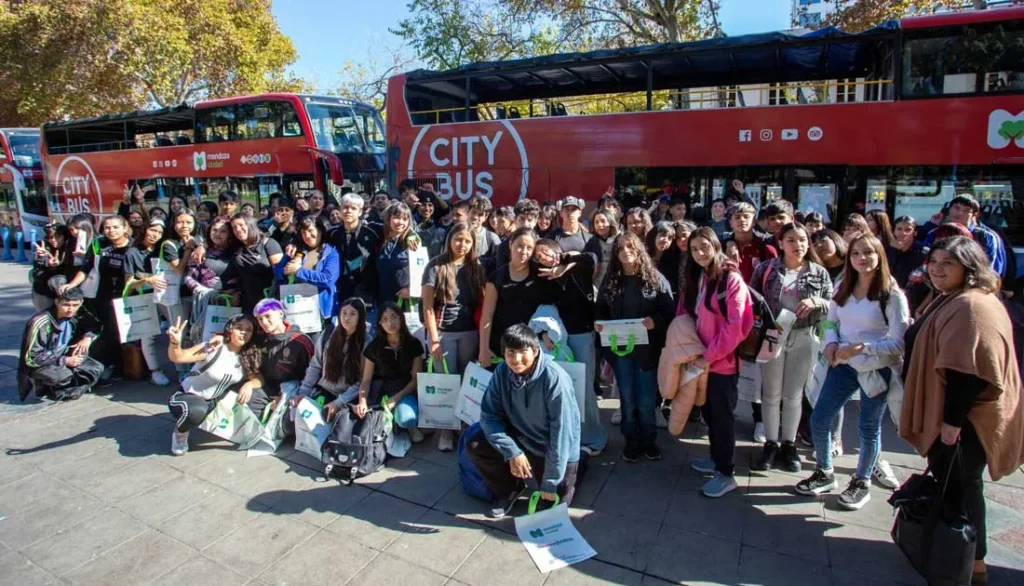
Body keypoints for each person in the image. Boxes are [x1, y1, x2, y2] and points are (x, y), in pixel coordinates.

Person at [900, 237, 1024, 584]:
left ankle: (970, 562)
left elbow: (967, 372)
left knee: (962, 489)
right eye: (933, 262)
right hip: (959, 418)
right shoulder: (958, 297)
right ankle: (964, 558)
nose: (937, 269)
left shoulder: (970, 305)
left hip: (965, 423)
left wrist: (951, 424)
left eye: (948, 263)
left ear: (969, 267)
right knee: (959, 487)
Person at [796, 234, 910, 510]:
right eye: (856, 253)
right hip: (842, 364)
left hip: (876, 368)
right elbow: (830, 322)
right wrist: (830, 343)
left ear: (879, 256)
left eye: (868, 252)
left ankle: (862, 481)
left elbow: (899, 342)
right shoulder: (843, 286)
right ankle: (824, 471)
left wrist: (862, 348)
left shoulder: (892, 295)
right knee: (820, 418)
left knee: (869, 427)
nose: (862, 258)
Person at [468, 325, 583, 519]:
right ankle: (509, 489)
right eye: (510, 352)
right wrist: (512, 451)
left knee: (553, 502)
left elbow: (562, 434)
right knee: (475, 444)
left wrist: (551, 481)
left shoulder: (555, 379)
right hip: (521, 436)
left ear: (536, 351)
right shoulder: (502, 372)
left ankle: (580, 461)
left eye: (523, 352)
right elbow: (489, 416)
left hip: (552, 446)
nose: (516, 359)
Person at [750, 223, 833, 472]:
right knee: (770, 393)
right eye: (791, 240)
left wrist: (817, 301)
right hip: (773, 335)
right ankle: (771, 443)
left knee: (794, 394)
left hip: (804, 335)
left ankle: (789, 443)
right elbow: (752, 299)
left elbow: (833, 304)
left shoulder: (819, 272)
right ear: (781, 243)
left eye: (802, 240)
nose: (798, 245)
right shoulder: (767, 269)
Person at [679, 228, 753, 497]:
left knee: (722, 418)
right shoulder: (698, 276)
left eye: (704, 247)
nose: (700, 253)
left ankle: (726, 472)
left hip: (722, 363)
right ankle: (715, 458)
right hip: (701, 359)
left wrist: (708, 356)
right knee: (709, 413)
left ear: (715, 245)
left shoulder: (730, 278)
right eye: (694, 249)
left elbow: (737, 326)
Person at [595, 232, 675, 463]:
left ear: (639, 249)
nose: (626, 252)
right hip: (621, 352)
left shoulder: (655, 278)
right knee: (628, 399)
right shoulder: (612, 280)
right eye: (621, 248)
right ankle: (631, 441)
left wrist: (655, 321)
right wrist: (599, 324)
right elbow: (600, 309)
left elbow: (669, 311)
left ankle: (649, 440)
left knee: (647, 400)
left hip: (647, 352)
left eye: (630, 247)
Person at [533, 238, 607, 454]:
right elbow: (542, 308)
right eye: (538, 256)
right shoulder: (541, 277)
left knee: (584, 387)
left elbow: (590, 258)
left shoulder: (578, 269)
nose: (543, 257)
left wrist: (564, 264)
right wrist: (543, 333)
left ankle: (593, 437)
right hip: (557, 339)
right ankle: (567, 434)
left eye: (546, 251)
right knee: (561, 388)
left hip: (582, 333)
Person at [422, 224, 485, 451]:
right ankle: (445, 430)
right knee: (446, 383)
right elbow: (428, 307)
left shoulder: (476, 267)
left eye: (467, 241)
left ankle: (464, 426)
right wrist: (434, 339)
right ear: (450, 239)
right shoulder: (436, 265)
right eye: (458, 239)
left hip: (470, 332)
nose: (462, 245)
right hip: (444, 332)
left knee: (467, 382)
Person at [166, 314, 260, 455]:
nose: (244, 332)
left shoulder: (246, 356)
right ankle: (180, 432)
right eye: (239, 328)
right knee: (197, 411)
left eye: (248, 330)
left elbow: (259, 379)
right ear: (230, 329)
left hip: (214, 402)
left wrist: (250, 385)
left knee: (253, 395)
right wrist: (175, 343)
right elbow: (178, 357)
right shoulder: (213, 347)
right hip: (187, 397)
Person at [61, 215, 135, 381]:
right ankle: (110, 365)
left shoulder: (133, 246)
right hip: (103, 295)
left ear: (125, 228)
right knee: (107, 332)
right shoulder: (98, 244)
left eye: (116, 227)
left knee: (124, 334)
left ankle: (130, 367)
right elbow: (86, 268)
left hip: (126, 297)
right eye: (107, 227)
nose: (111, 231)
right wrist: (72, 284)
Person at [478, 228, 556, 366]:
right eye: (520, 246)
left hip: (532, 345)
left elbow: (548, 310)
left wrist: (545, 333)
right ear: (510, 244)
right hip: (502, 344)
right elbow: (487, 316)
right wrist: (483, 349)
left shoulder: (541, 275)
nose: (524, 251)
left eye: (529, 248)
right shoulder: (496, 277)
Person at [354, 301, 426, 441]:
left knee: (406, 419)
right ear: (380, 323)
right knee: (373, 422)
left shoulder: (413, 344)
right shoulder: (374, 347)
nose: (390, 323)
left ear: (401, 318)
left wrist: (396, 398)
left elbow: (415, 379)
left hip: (405, 390)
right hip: (380, 391)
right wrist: (362, 401)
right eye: (385, 319)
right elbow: (366, 380)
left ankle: (406, 425)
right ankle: (393, 424)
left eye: (394, 317)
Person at [17, 287, 103, 402]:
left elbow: (96, 326)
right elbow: (32, 359)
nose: (70, 309)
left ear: (81, 302)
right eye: (66, 305)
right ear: (57, 302)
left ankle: (65, 386)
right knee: (62, 376)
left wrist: (88, 337)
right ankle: (43, 385)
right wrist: (64, 360)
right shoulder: (41, 322)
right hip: (43, 363)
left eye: (75, 305)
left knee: (96, 368)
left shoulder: (77, 313)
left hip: (63, 355)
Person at [124, 219, 174, 385]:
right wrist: (147, 280)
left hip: (165, 295)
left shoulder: (162, 249)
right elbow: (129, 283)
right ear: (145, 229)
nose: (155, 235)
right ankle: (155, 371)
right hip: (143, 296)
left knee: (178, 327)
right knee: (148, 335)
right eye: (153, 230)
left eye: (159, 232)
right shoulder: (132, 252)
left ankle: (183, 366)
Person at [295, 298, 367, 412]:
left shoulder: (366, 342)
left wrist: (338, 403)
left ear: (360, 317)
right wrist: (303, 392)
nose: (346, 318)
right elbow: (315, 365)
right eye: (344, 313)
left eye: (352, 314)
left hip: (348, 399)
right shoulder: (329, 334)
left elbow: (361, 381)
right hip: (324, 391)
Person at [245, 298, 314, 417]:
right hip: (267, 387)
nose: (264, 322)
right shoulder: (261, 338)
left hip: (294, 391)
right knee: (246, 399)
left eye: (267, 316)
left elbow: (312, 374)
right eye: (260, 319)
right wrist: (220, 337)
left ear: (280, 314)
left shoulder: (300, 341)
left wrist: (285, 397)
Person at [923, 194, 1008, 279]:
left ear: (974, 215)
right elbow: (926, 260)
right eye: (956, 208)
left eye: (966, 210)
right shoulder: (935, 233)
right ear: (950, 209)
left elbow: (991, 269)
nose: (960, 213)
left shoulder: (985, 236)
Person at [276, 216, 340, 328]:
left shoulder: (331, 252)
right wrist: (284, 271)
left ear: (320, 230)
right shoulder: (296, 249)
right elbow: (277, 270)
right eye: (303, 232)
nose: (307, 235)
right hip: (294, 309)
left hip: (320, 312)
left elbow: (328, 279)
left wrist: (299, 271)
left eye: (310, 230)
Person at [330, 193, 381, 309]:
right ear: (340, 210)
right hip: (343, 289)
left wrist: (411, 235)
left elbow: (395, 229)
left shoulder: (372, 229)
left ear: (360, 212)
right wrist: (295, 244)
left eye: (353, 208)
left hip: (368, 290)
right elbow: (313, 237)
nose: (348, 211)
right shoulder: (334, 233)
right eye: (345, 207)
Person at [230, 214, 284, 314]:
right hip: (247, 303)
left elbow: (281, 274)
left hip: (269, 302)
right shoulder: (237, 248)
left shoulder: (269, 243)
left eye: (241, 225)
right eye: (234, 227)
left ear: (250, 224)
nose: (238, 229)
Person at [374, 202, 421, 309]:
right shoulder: (380, 237)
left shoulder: (413, 241)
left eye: (405, 219)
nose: (400, 222)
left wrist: (411, 290)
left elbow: (421, 269)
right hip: (383, 298)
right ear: (389, 219)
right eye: (396, 218)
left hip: (405, 300)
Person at [31, 224, 73, 311]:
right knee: (46, 316)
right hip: (44, 292)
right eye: (50, 237)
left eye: (58, 237)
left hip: (64, 293)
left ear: (64, 237)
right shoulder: (43, 249)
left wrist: (59, 265)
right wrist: (47, 263)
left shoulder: (70, 249)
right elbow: (36, 273)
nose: (53, 240)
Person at [888, 215, 928, 289]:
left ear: (915, 232)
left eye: (908, 230)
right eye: (899, 229)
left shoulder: (923, 253)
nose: (903, 233)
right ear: (894, 231)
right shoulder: (887, 250)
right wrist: (894, 251)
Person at [584, 209, 619, 290]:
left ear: (610, 222)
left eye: (603, 221)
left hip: (616, 286)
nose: (600, 225)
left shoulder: (619, 240)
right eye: (596, 222)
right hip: (597, 287)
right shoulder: (591, 242)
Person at [645, 221, 680, 299]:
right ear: (654, 236)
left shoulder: (673, 260)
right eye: (662, 235)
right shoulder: (643, 257)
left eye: (669, 238)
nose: (665, 240)